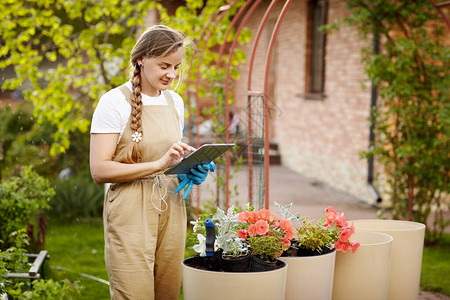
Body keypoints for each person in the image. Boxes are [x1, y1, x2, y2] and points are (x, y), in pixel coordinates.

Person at [89, 25, 213, 299]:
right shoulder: (113, 103)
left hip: (172, 204)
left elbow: (168, 159)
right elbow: (99, 170)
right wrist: (158, 164)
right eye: (164, 65)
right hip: (130, 208)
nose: (172, 74)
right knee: (134, 292)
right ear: (141, 59)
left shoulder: (175, 102)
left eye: (176, 67)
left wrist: (190, 168)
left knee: (168, 291)